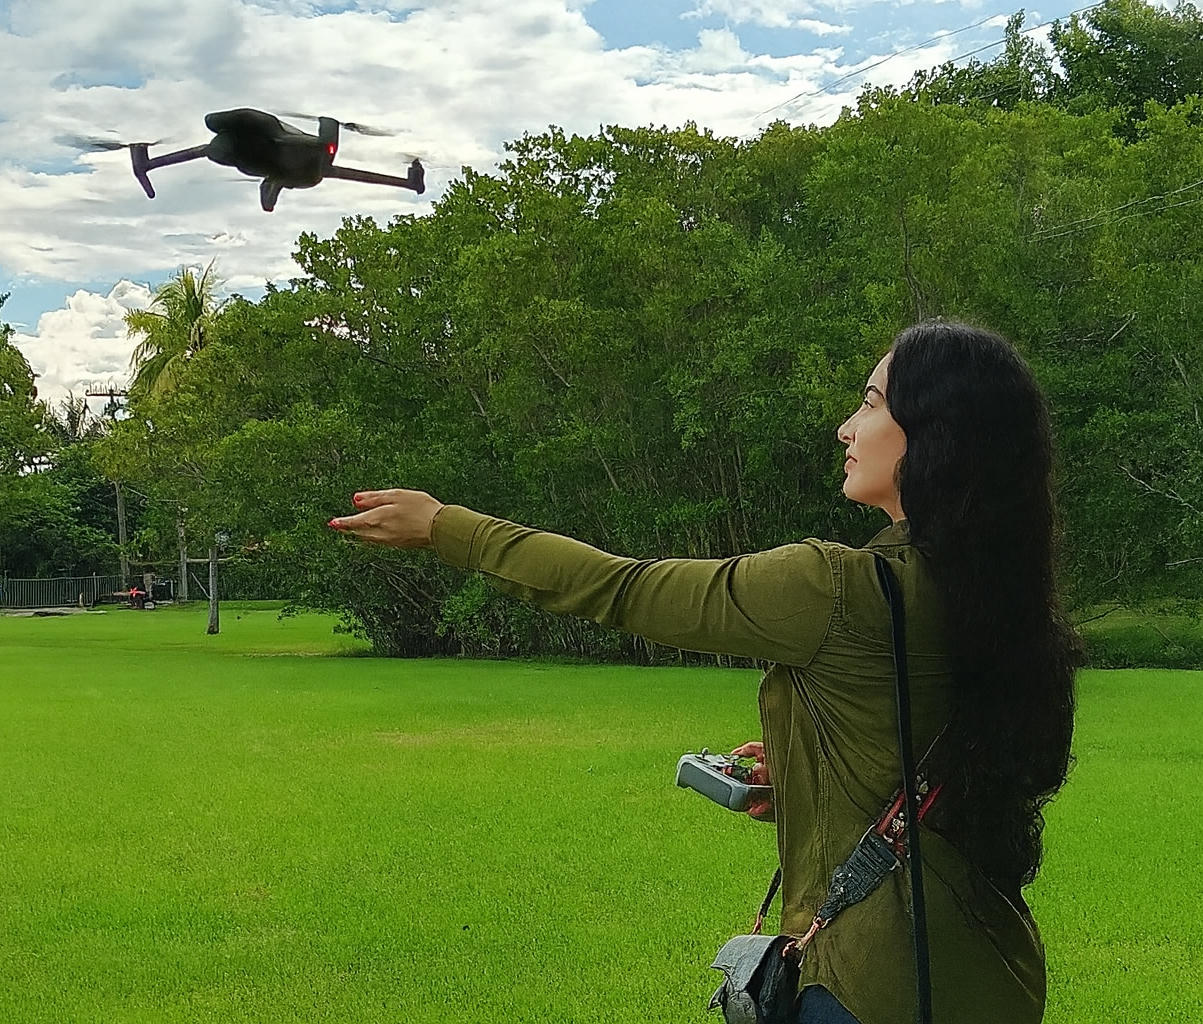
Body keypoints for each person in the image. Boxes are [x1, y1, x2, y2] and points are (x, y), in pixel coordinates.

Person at [328, 320, 1085, 1024]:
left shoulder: (835, 589)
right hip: (993, 974)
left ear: (934, 436)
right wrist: (801, 774)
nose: (846, 427)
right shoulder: (1004, 602)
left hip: (868, 986)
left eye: (871, 402)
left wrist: (445, 528)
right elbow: (936, 758)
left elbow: (619, 586)